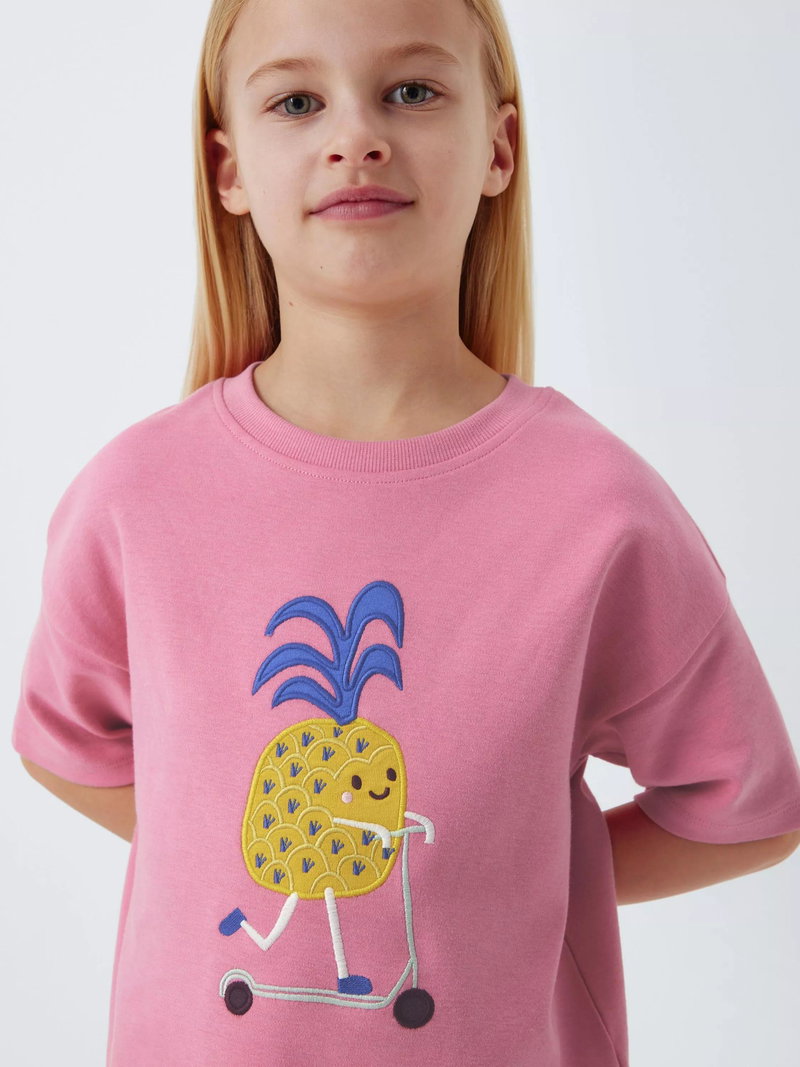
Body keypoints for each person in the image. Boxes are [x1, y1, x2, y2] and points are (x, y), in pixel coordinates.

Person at [11, 0, 800, 1064]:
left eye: (412, 91)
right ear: (228, 168)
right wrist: (244, 855)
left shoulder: (601, 511)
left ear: (499, 147)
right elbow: (64, 744)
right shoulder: (134, 498)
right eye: (298, 101)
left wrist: (513, 874)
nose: (356, 135)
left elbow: (744, 808)